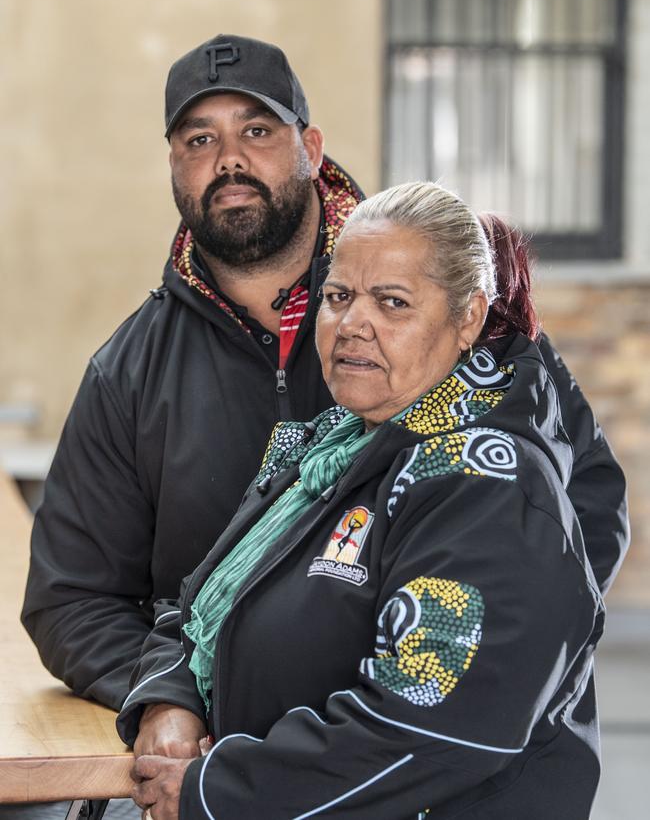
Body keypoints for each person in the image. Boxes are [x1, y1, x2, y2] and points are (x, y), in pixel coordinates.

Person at [21, 33, 627, 720]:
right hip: (225, 760)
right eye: (198, 140)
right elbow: (71, 597)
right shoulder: (128, 372)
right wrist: (171, 698)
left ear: (310, 149)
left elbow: (588, 499)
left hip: (423, 754)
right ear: (173, 166)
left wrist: (489, 669)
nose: (229, 160)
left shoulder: (451, 299)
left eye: (256, 130)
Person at [117, 181, 607, 820]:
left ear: (469, 318)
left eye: (392, 302)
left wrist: (220, 793)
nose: (353, 324)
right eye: (339, 297)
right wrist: (170, 700)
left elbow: (430, 734)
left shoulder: (490, 492)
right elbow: (200, 602)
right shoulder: (326, 449)